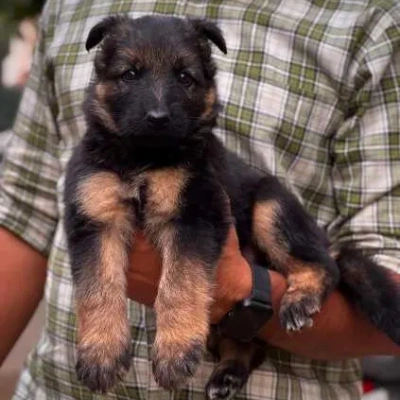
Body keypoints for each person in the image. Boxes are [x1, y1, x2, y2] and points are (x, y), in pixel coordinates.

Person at [1, 0, 400, 399]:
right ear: (100, 78)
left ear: (209, 83)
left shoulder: (368, 19)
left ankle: (310, 276)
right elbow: (23, 211)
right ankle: (236, 355)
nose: (158, 105)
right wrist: (99, 329)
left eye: (184, 78)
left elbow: (194, 231)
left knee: (267, 205)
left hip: (274, 317)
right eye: (132, 74)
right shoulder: (68, 7)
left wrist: (244, 294)